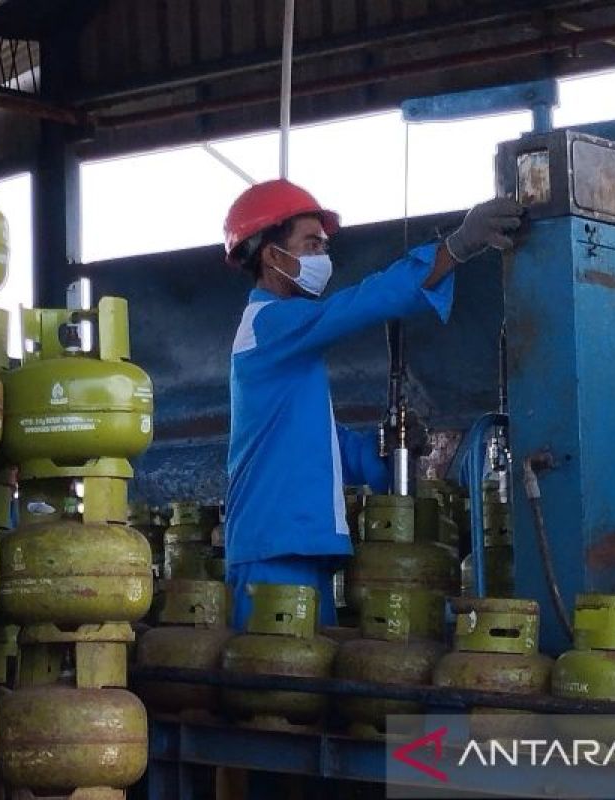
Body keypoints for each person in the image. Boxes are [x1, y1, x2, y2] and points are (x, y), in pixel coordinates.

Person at [222, 178, 524, 629]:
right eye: (310, 244)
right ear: (271, 255)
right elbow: (359, 305)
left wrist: (381, 451)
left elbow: (312, 442)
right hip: (273, 547)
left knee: (301, 688)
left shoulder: (287, 342)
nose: (322, 257)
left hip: (299, 545)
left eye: (323, 246)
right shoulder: (268, 324)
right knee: (271, 686)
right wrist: (456, 248)